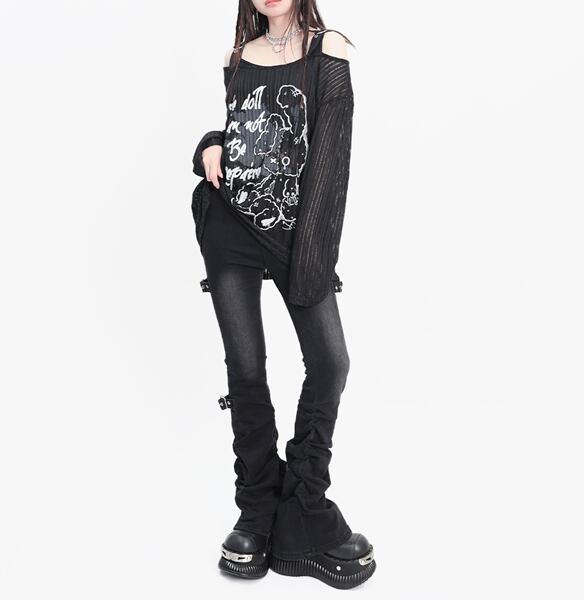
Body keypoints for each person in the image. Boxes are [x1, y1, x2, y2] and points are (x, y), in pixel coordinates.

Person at [190, 0, 376, 590]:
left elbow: (330, 161)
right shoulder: (237, 57)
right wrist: (210, 144)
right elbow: (245, 134)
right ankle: (256, 511)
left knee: (330, 363)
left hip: (298, 236)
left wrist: (312, 259)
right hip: (229, 227)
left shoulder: (328, 50)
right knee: (246, 368)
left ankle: (304, 505)